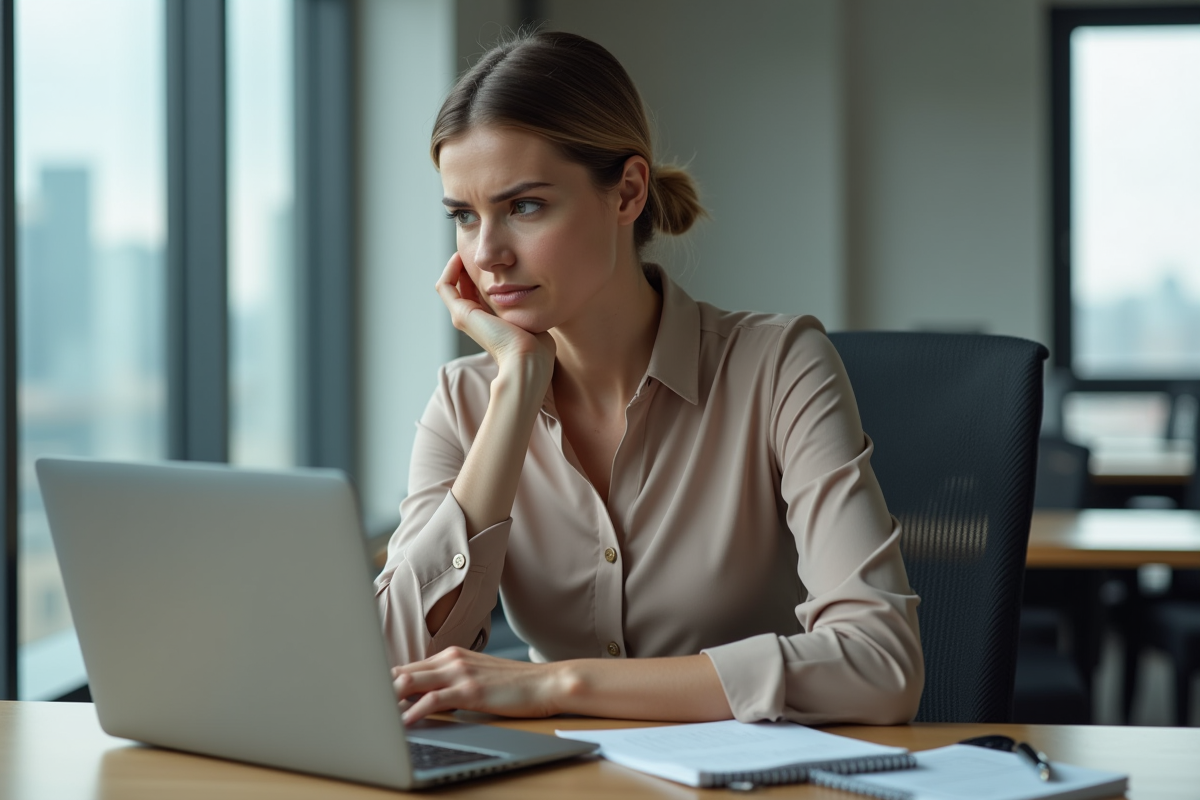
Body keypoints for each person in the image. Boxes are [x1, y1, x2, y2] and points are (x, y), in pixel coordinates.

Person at [374, 30, 923, 727]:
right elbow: (392, 668)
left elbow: (881, 668)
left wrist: (559, 687)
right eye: (463, 217)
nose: (488, 256)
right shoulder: (466, 400)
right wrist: (515, 389)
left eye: (525, 206)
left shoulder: (779, 365)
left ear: (627, 191)